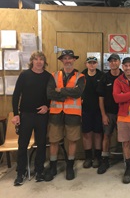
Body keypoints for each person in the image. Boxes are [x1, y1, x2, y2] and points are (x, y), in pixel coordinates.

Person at [11, 51, 51, 186]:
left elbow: (51, 96)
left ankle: (39, 171)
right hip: (26, 115)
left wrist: (47, 106)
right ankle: (20, 172)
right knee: (22, 145)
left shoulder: (48, 76)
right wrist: (16, 114)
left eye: (41, 59)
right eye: (36, 59)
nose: (39, 62)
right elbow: (16, 95)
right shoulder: (24, 75)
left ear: (44, 62)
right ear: (32, 61)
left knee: (41, 144)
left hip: (42, 115)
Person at [45, 50, 85, 181]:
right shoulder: (54, 75)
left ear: (74, 60)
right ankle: (53, 167)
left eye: (70, 58)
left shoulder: (81, 76)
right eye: (65, 58)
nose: (68, 60)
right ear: (61, 60)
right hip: (56, 114)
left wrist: (60, 90)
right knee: (54, 141)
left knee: (72, 141)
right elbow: (50, 93)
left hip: (73, 115)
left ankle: (69, 166)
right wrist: (66, 95)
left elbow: (78, 93)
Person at [96, 53, 123, 174]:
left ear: (119, 62)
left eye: (115, 61)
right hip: (109, 114)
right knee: (106, 136)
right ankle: (105, 160)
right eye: (111, 61)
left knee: (126, 138)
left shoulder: (125, 76)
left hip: (123, 114)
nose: (113, 63)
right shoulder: (104, 78)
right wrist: (103, 115)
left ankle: (128, 159)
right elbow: (101, 98)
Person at [81, 56, 103, 169]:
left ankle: (98, 157)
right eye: (90, 63)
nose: (92, 65)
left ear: (97, 64)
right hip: (85, 110)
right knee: (87, 134)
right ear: (86, 64)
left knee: (98, 134)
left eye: (94, 63)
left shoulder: (101, 76)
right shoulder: (81, 76)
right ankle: (88, 157)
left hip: (99, 110)